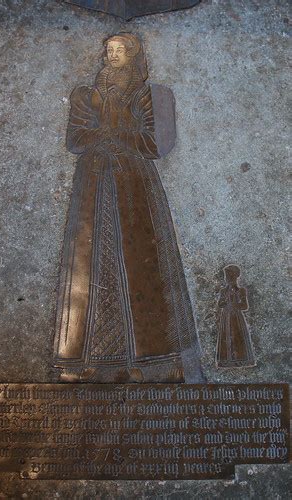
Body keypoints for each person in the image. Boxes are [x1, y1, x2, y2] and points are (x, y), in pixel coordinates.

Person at [53, 33, 204, 383]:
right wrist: (114, 135)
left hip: (134, 185)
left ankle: (155, 360)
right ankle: (86, 361)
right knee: (89, 266)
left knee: (142, 263)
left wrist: (112, 135)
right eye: (109, 50)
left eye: (120, 51)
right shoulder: (85, 94)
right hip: (93, 186)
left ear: (134, 55)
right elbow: (75, 140)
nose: (113, 55)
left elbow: (156, 143)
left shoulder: (150, 94)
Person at [216, 265, 256, 368]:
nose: (227, 278)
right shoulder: (223, 291)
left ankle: (240, 360)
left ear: (235, 276)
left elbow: (245, 306)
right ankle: (226, 361)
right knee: (226, 336)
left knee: (237, 335)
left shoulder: (241, 290)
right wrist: (224, 303)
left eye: (229, 275)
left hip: (236, 318)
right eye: (226, 275)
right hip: (226, 316)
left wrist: (234, 305)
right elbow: (220, 304)